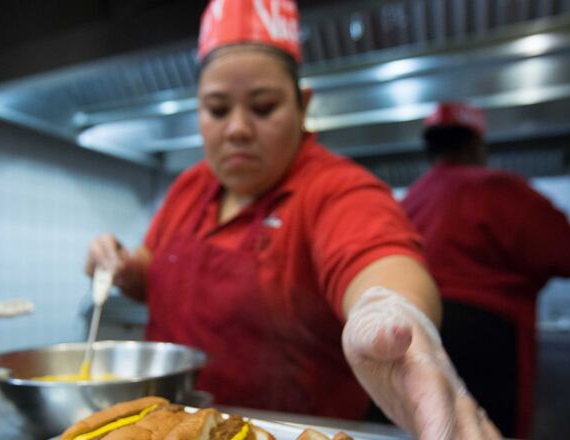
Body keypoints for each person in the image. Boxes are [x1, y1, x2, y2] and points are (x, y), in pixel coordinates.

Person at [86, 2, 499, 438]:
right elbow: (158, 278)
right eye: (217, 109)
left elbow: (380, 260)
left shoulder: (333, 189)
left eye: (263, 107)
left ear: (302, 106)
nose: (238, 129)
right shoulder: (188, 189)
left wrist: (392, 312)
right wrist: (125, 269)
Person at [401, 102, 570, 438]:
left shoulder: (412, 198)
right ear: (475, 145)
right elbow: (569, 253)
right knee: (488, 429)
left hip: (422, 328)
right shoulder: (499, 188)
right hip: (488, 333)